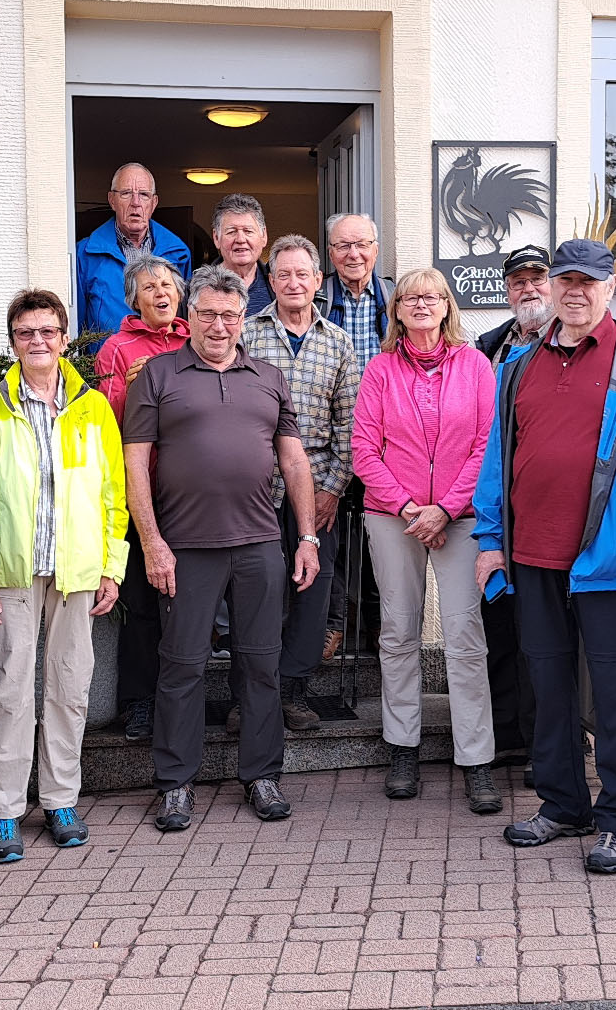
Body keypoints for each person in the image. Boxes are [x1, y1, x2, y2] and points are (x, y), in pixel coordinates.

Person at [474, 238, 616, 875]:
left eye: (588, 281)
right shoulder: (520, 361)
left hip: (610, 558)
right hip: (531, 553)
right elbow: (497, 458)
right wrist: (489, 542)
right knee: (548, 683)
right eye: (565, 280)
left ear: (608, 288)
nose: (575, 291)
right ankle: (562, 803)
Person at [121, 265, 320, 832]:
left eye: (229, 316)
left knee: (261, 664)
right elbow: (135, 463)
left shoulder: (268, 377)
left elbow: (294, 460)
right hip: (184, 547)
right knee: (181, 665)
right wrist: (153, 542)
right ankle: (175, 784)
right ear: (190, 317)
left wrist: (306, 537)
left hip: (259, 543)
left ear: (242, 321)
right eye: (206, 314)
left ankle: (261, 775)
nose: (218, 325)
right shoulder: (156, 376)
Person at [0, 289, 128, 863]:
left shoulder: (92, 406)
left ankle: (60, 799)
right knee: (9, 691)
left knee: (69, 688)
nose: (37, 341)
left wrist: (112, 566)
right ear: (13, 343)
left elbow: (113, 496)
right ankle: (4, 811)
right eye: (25, 332)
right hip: (11, 569)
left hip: (76, 572)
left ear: (63, 339)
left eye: (47, 331)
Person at [352, 267, 501, 814]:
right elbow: (364, 448)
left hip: (459, 516)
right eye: (410, 297)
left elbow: (488, 447)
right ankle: (402, 745)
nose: (420, 304)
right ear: (396, 310)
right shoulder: (380, 369)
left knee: (464, 631)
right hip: (395, 515)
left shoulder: (476, 365)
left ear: (447, 307)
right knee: (397, 629)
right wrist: (410, 506)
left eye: (431, 296)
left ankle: (476, 757)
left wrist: (446, 508)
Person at [237, 234, 359, 732]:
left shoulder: (339, 342)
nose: (293, 282)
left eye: (302, 274)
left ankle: (294, 691)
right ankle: (251, 696)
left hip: (318, 490)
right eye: (283, 274)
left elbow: (350, 426)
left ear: (316, 281)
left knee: (313, 589)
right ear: (271, 281)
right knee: (256, 592)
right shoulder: (246, 334)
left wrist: (331, 487)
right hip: (254, 489)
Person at [94, 252, 192, 741]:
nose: (161, 293)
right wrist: (130, 394)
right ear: (133, 298)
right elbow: (107, 424)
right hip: (141, 492)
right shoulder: (116, 348)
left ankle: (184, 699)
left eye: (168, 286)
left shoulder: (195, 339)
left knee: (188, 601)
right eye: (150, 287)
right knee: (143, 602)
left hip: (191, 493)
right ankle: (140, 702)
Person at [474, 243, 554, 786]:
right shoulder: (488, 347)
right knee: (498, 622)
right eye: (518, 281)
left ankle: (552, 741)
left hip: (549, 509)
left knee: (548, 636)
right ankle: (507, 736)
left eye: (538, 279)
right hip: (496, 506)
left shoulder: (571, 344)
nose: (528, 288)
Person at [316, 212, 395, 664]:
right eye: (343, 246)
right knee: (337, 537)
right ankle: (336, 625)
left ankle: (379, 625)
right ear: (331, 254)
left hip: (388, 441)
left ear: (375, 249)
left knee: (381, 534)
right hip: (338, 436)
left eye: (362, 244)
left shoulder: (395, 296)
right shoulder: (319, 297)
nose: (354, 254)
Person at [77, 162, 193, 339]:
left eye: (144, 195)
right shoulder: (85, 254)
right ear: (112, 200)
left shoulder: (178, 254)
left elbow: (183, 321)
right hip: (107, 363)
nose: (136, 203)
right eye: (126, 194)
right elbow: (76, 321)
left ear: (154, 203)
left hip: (162, 362)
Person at [212, 193, 273, 316]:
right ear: (216, 238)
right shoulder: (193, 289)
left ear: (264, 236)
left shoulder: (279, 283)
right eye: (231, 232)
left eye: (248, 231)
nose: (240, 239)